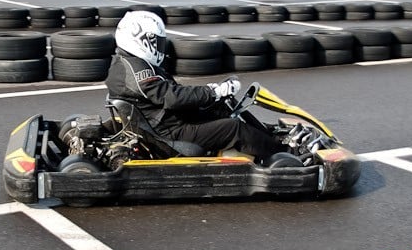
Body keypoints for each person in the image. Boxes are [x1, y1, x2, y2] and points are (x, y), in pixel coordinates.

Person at [105, 10, 285, 160]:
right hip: (170, 136)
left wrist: (213, 95)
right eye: (156, 42)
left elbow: (170, 94)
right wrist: (212, 91)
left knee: (222, 105)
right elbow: (171, 97)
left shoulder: (127, 62)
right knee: (233, 128)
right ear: (142, 40)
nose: (160, 47)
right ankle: (284, 156)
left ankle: (269, 138)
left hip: (165, 122)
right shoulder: (137, 71)